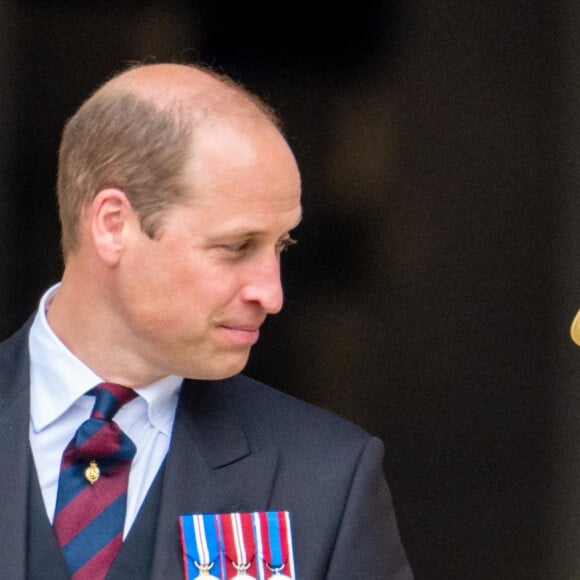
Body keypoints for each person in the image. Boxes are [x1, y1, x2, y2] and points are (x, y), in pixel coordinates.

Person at [0, 62, 413, 580]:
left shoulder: (325, 477)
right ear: (113, 226)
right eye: (236, 246)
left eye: (281, 245)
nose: (273, 293)